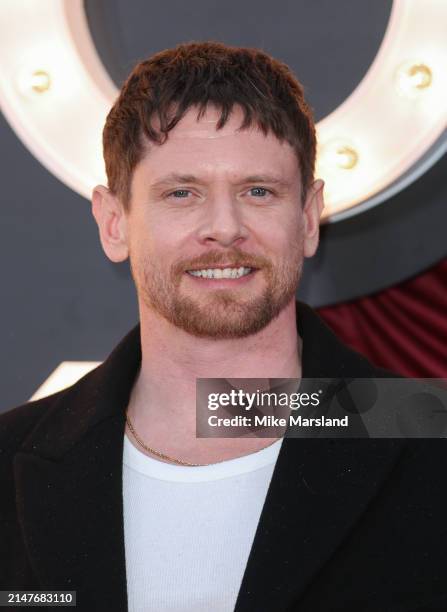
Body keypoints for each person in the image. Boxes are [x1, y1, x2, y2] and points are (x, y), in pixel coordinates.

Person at [0, 42, 446, 612]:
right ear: (114, 223)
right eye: (182, 193)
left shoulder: (430, 442)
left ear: (308, 218)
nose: (225, 228)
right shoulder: (11, 461)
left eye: (258, 191)